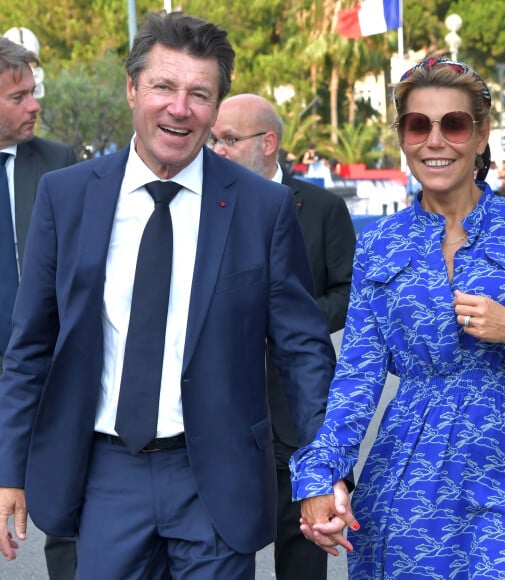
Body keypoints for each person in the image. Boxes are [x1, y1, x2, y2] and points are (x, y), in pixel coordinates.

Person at [0, 11, 336, 579]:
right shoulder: (68, 197)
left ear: (216, 107)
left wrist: (322, 470)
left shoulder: (262, 209)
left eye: (199, 94)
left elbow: (303, 353)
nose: (180, 108)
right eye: (163, 86)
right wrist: (10, 470)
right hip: (106, 475)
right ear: (132, 89)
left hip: (217, 479)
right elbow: (31, 346)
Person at [291, 57, 505, 579]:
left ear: (481, 133)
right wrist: (319, 474)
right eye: (418, 124)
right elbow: (357, 377)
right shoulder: (379, 244)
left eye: (455, 123)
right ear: (403, 135)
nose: (435, 140)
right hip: (410, 478)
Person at [210, 93, 356, 580]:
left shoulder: (321, 207)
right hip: (227, 419)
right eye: (214, 139)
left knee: (302, 557)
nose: (217, 149)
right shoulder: (205, 205)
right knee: (223, 555)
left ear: (268, 142)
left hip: (297, 419)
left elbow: (349, 290)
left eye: (228, 139)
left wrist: (291, 319)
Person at [0, 36, 78, 580]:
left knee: (67, 521)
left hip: (49, 375)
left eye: (33, 92)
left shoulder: (57, 164)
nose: (34, 106)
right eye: (18, 96)